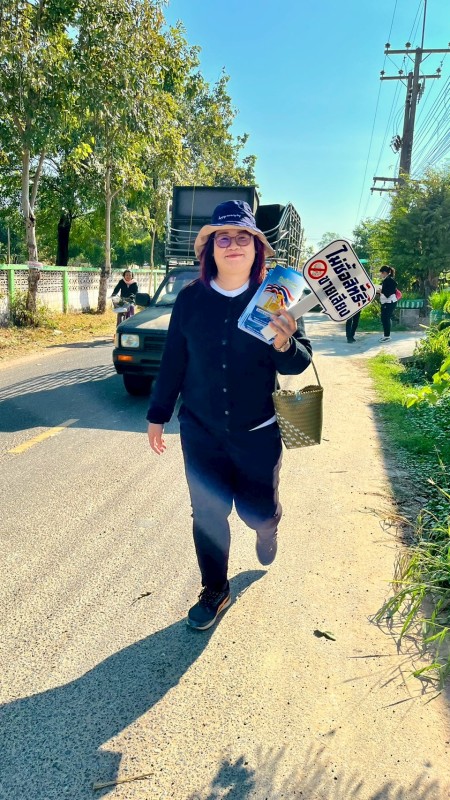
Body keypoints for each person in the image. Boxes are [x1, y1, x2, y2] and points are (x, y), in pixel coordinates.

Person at [146, 200, 313, 631]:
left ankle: (268, 527)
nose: (233, 244)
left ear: (257, 248)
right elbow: (173, 361)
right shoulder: (190, 300)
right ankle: (215, 589)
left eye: (243, 237)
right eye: (223, 237)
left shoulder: (279, 297)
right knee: (208, 513)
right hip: (201, 432)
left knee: (257, 511)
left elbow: (299, 363)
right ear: (210, 248)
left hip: (257, 433)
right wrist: (158, 413)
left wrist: (284, 342)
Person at [377, 265, 398, 342]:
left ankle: (387, 336)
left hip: (389, 302)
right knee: (384, 318)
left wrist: (381, 291)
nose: (381, 275)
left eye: (381, 273)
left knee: (385, 318)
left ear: (385, 272)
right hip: (386, 302)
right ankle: (386, 334)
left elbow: (389, 291)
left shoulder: (390, 280)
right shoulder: (386, 280)